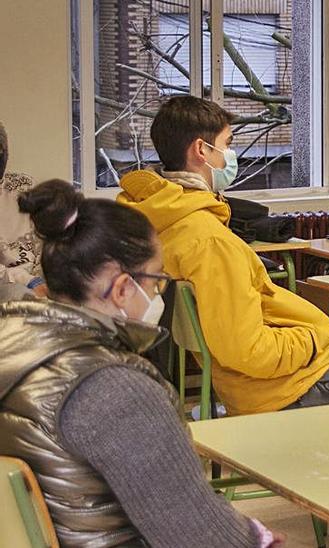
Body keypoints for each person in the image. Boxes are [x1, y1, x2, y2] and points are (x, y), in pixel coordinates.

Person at [116, 95, 329, 420]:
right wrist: (315, 339)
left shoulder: (165, 222)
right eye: (226, 146)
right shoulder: (208, 240)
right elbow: (246, 351)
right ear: (201, 151)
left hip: (266, 384)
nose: (229, 157)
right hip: (279, 392)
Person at [0, 179, 281, 547]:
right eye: (156, 282)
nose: (158, 293)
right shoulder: (114, 390)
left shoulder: (15, 348)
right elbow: (199, 537)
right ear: (121, 288)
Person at [0, 121, 46, 301]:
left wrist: (47, 275)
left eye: (2, 150)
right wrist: (28, 281)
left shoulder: (24, 186)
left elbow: (47, 234)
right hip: (9, 281)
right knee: (22, 297)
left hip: (40, 273)